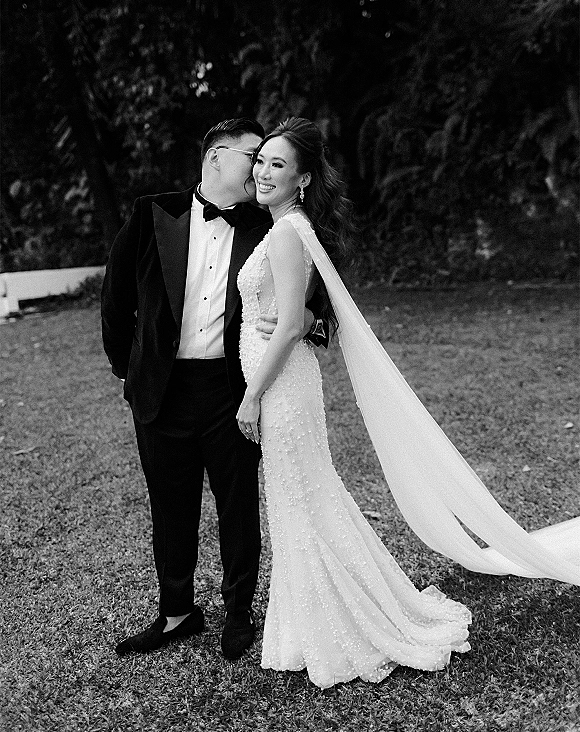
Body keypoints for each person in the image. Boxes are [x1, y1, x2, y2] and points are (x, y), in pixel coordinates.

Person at [234, 116, 580, 689]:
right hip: (280, 381)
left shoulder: (286, 232)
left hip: (280, 387)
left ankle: (349, 623)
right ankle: (316, 619)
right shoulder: (286, 227)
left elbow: (291, 323)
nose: (263, 172)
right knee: (305, 499)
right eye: (261, 161)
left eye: (277, 164)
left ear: (301, 180)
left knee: (303, 499)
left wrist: (250, 397)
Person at [101, 118, 327, 661]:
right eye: (253, 156)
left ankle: (238, 612)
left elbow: (313, 285)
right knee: (169, 503)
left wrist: (310, 320)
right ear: (215, 158)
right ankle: (176, 612)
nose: (259, 169)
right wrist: (129, 372)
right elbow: (116, 296)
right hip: (161, 389)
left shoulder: (269, 223)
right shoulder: (152, 211)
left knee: (237, 502)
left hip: (232, 387)